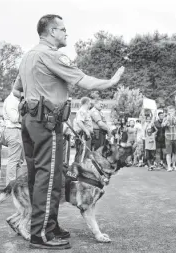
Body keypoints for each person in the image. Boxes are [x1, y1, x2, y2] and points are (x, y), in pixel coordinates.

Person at [13, 14, 125, 249]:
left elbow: (17, 92)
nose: (66, 33)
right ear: (52, 31)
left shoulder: (28, 56)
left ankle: (49, 226)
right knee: (49, 177)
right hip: (47, 124)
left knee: (40, 177)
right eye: (63, 29)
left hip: (31, 121)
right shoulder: (51, 55)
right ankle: (41, 234)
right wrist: (111, 82)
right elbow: (85, 82)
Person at [2, 90, 24, 184]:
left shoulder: (17, 100)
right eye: (20, 89)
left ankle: (16, 186)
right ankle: (10, 187)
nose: (22, 92)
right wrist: (23, 111)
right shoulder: (12, 100)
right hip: (13, 130)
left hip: (17, 131)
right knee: (14, 161)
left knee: (19, 161)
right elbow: (14, 118)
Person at [73, 97, 93, 163]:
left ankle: (77, 169)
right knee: (83, 153)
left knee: (82, 153)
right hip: (83, 135)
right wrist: (86, 131)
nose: (90, 105)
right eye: (90, 103)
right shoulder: (82, 111)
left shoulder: (85, 111)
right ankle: (80, 169)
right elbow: (79, 122)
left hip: (85, 135)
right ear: (87, 103)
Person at [162, 106, 176, 172]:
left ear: (174, 111)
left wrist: (174, 117)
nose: (171, 112)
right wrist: (167, 119)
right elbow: (163, 125)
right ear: (168, 112)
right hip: (168, 137)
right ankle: (169, 166)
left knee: (175, 152)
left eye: (172, 111)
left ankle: (174, 165)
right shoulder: (165, 118)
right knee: (169, 152)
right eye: (170, 111)